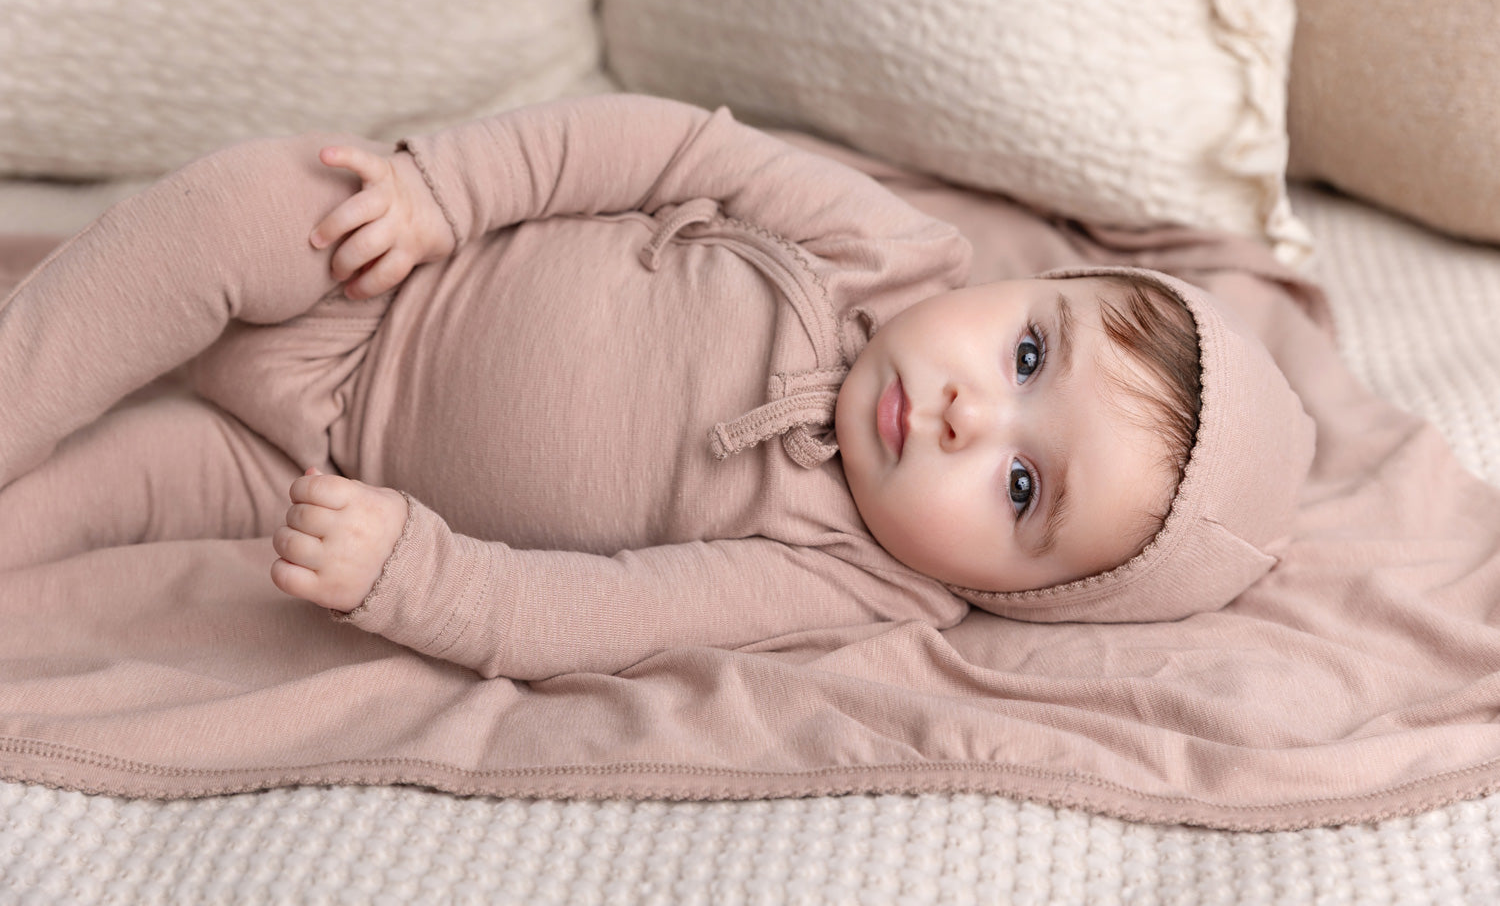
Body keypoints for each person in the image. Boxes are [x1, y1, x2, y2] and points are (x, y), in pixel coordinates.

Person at [0, 94, 1314, 679]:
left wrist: (417, 575)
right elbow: (664, 143)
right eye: (1030, 355)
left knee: (99, 501)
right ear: (1037, 288)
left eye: (1022, 486)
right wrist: (443, 191)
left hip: (315, 480)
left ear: (1012, 595)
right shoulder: (885, 252)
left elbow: (606, 616)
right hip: (372, 279)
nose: (974, 412)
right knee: (244, 206)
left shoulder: (848, 579)